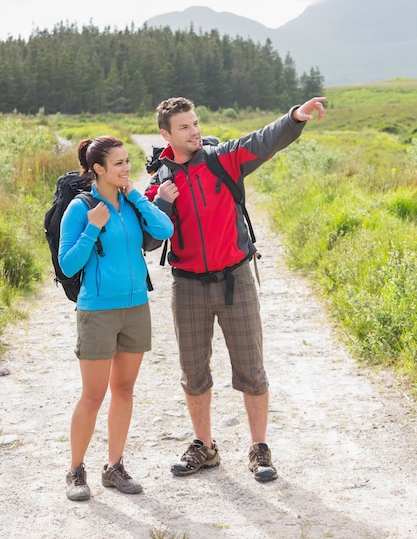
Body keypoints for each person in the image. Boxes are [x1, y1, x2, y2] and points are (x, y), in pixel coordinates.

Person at [145, 96, 326, 482]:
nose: (194, 131)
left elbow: (263, 139)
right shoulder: (159, 181)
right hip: (187, 285)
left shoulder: (221, 158)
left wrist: (295, 117)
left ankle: (259, 448)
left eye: (195, 123)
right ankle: (204, 446)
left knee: (251, 369)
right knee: (193, 373)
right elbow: (148, 243)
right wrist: (162, 204)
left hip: (235, 280)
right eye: (184, 127)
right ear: (166, 134)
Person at [59, 136, 174, 501]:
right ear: (98, 169)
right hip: (97, 311)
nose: (126, 169)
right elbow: (68, 264)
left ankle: (114, 467)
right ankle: (76, 471)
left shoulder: (131, 202)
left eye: (128, 161)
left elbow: (164, 230)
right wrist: (93, 226)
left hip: (136, 307)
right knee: (93, 395)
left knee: (124, 390)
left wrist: (137, 196)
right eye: (119, 163)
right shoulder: (80, 208)